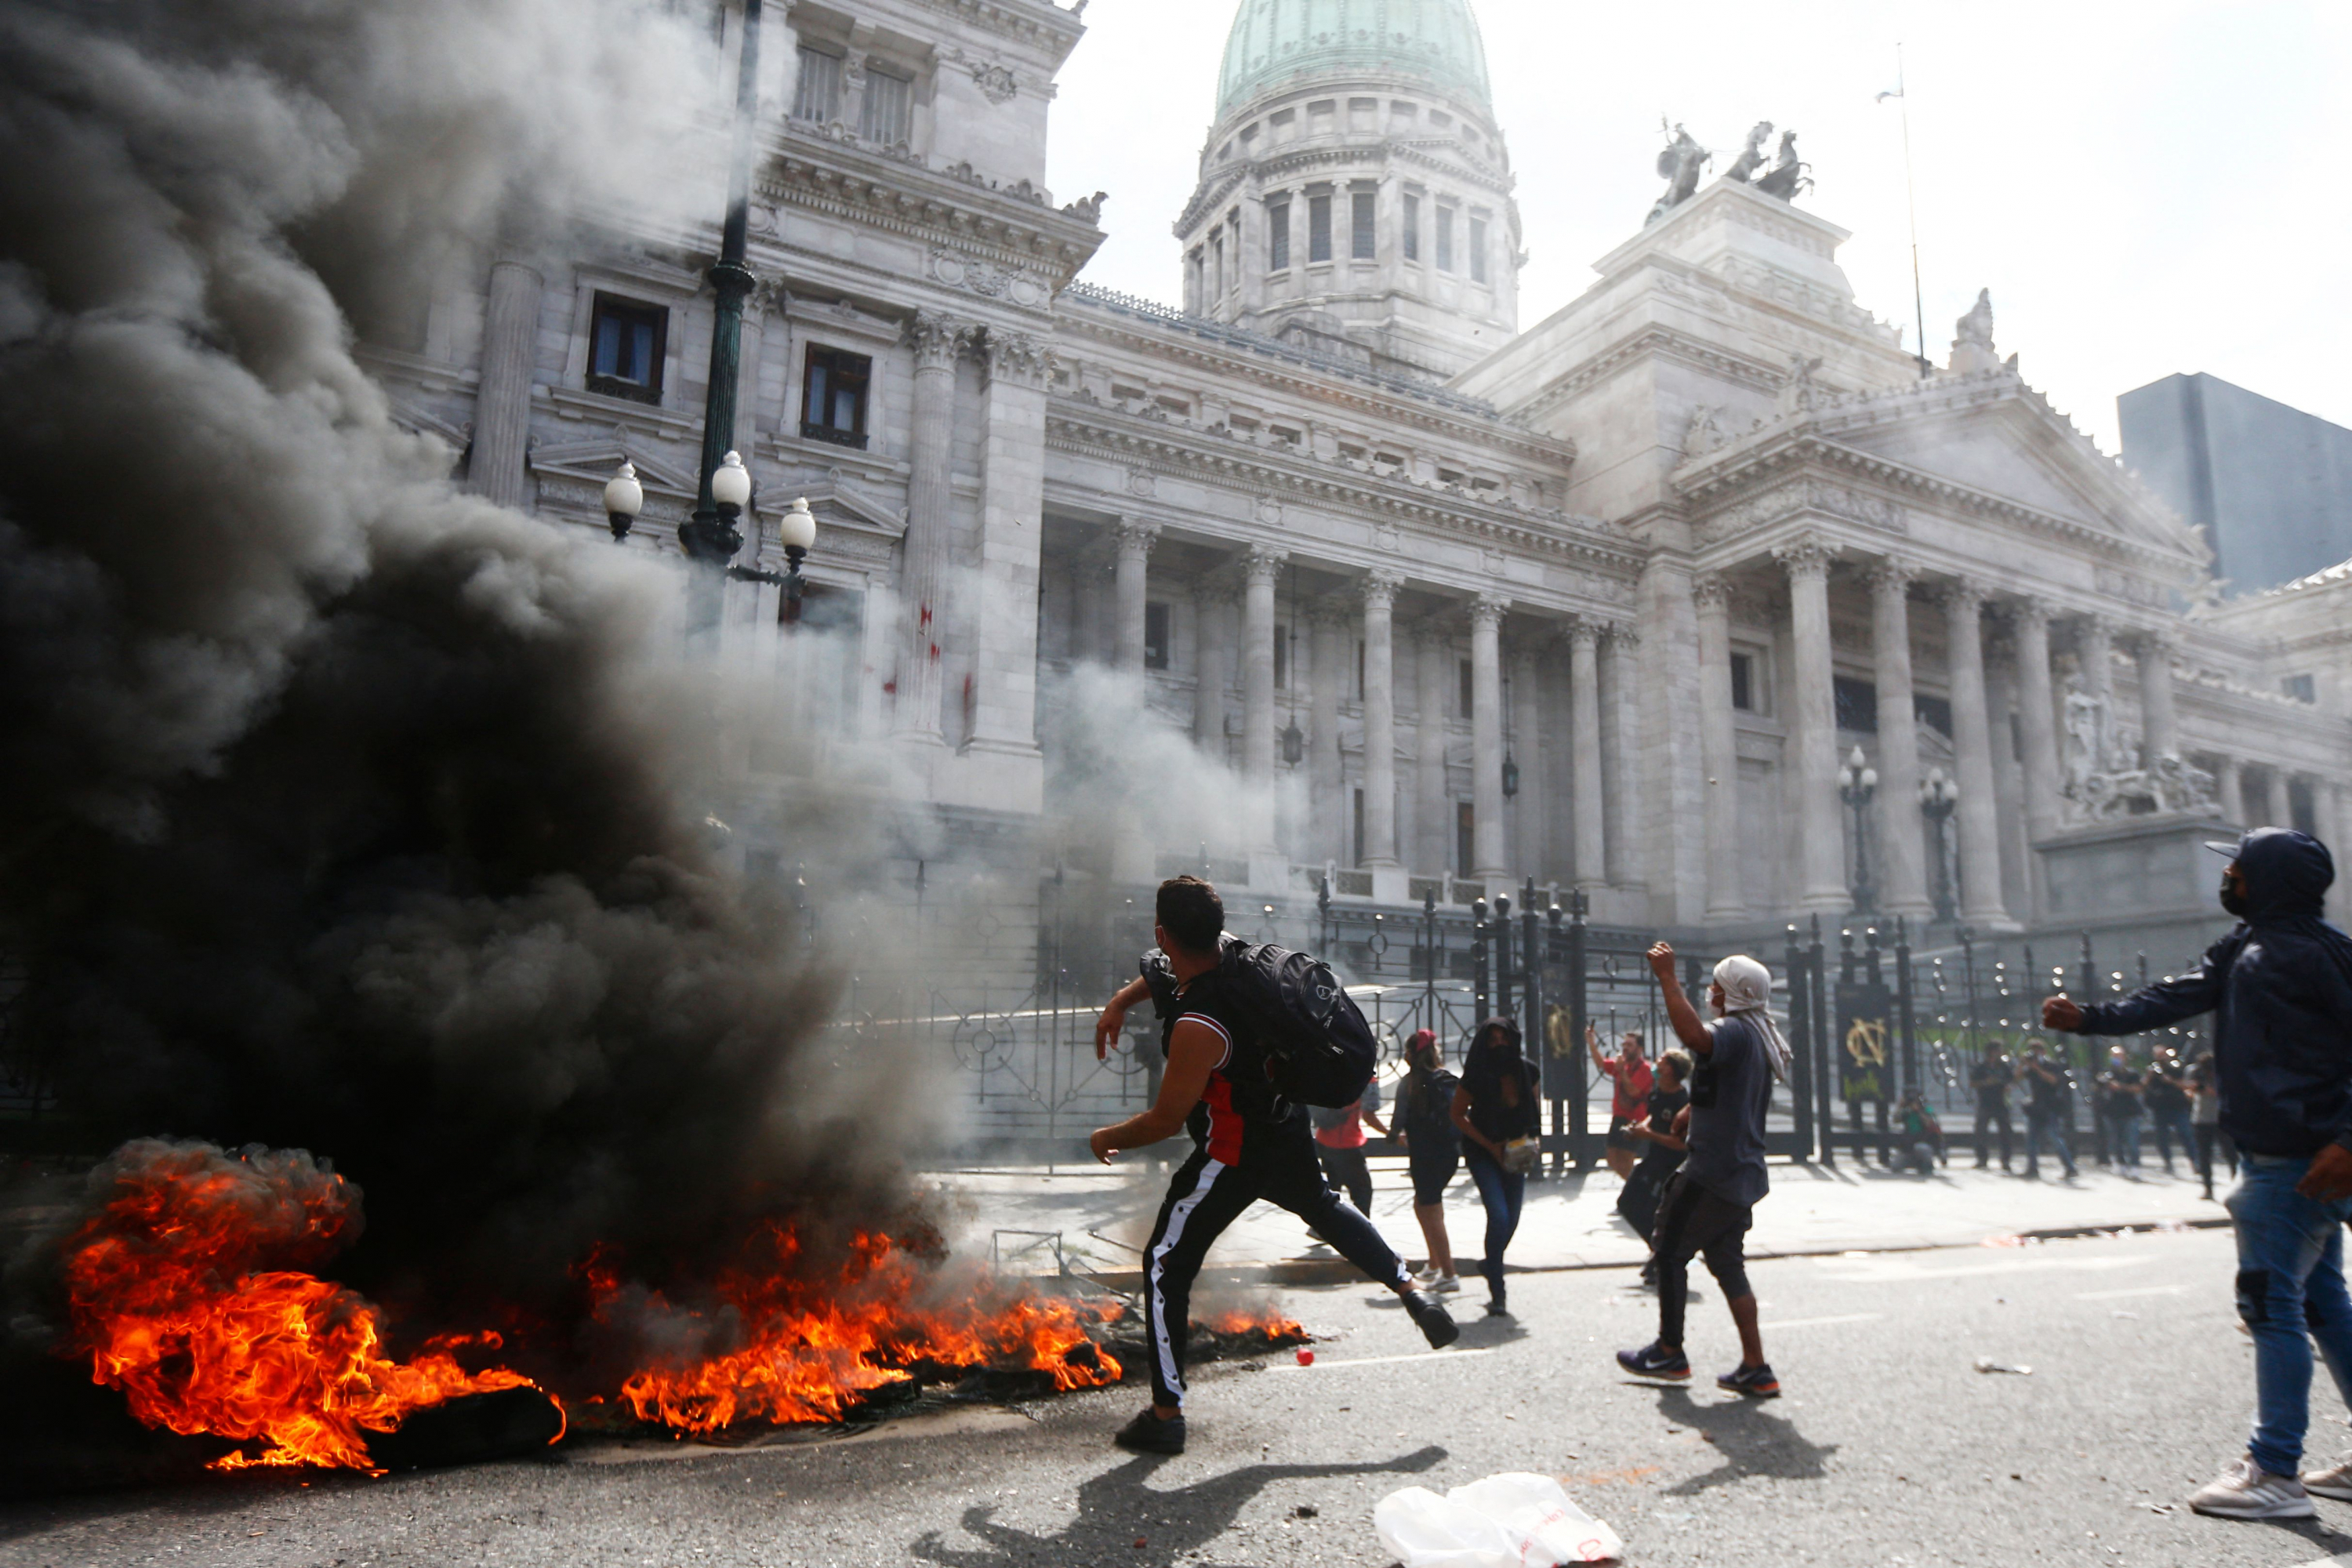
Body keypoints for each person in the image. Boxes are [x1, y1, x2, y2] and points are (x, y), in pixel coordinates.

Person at [2042, 828, 2352, 1519]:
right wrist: (2090, 1019)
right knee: (2323, 1302)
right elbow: (2170, 998)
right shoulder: (2247, 947)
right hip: (2295, 1154)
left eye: (2238, 866)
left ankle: (2275, 1474)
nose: (2229, 876)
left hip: (2298, 1162)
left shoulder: (2312, 956)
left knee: (2271, 1307)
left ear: (2265, 877)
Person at [1088, 877, 1459, 1455]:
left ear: (1163, 933)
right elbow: (1162, 973)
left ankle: (1165, 1413)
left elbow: (1164, 1120)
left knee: (1164, 1262)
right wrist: (1119, 1002)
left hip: (1232, 1151)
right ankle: (1412, 1290)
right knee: (1325, 1207)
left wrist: (1106, 1136)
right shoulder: (1236, 956)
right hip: (1287, 1126)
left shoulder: (1198, 1024)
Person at [1617, 944, 1784, 1398]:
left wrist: (1668, 978)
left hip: (1712, 1172)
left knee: (1669, 1251)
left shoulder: (1733, 1030)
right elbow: (1728, 1086)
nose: (1710, 991)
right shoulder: (1754, 1033)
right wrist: (1693, 1108)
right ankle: (1756, 1366)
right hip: (1742, 1173)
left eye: (1717, 986)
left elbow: (1695, 1037)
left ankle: (1670, 1351)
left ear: (1734, 994)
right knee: (1728, 1266)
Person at [1451, 1015, 1540, 1317]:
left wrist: (1534, 1141)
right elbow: (1457, 1114)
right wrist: (1490, 1145)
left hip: (1515, 1153)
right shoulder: (1477, 1074)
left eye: (1504, 1038)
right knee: (1499, 1215)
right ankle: (1498, 1291)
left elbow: (1534, 1110)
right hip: (1483, 1152)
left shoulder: (1528, 1071)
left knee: (1512, 1219)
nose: (1500, 1045)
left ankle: (1490, 1263)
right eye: (1493, 1039)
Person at [1394, 1029, 1462, 1292]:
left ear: (1410, 1054)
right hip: (1448, 1154)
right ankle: (1434, 1265)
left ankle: (1449, 1274)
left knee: (1431, 1211)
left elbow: (1396, 1125)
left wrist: (1395, 1135)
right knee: (1424, 1206)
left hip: (1424, 1156)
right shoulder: (1447, 1079)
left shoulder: (1410, 1082)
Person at [1618, 1048, 1693, 1279]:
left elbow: (1681, 1144)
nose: (1656, 1064)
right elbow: (1652, 1116)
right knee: (1628, 1202)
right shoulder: (1657, 1093)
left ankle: (1663, 1256)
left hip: (1672, 1166)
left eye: (1661, 1061)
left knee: (1658, 1211)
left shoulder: (1682, 1102)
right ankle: (1661, 1252)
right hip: (1653, 1159)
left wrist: (1649, 1135)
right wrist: (1639, 1128)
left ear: (1670, 1069)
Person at [1309, 1080, 1388, 1217]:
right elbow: (1369, 1116)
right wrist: (1390, 1133)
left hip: (1324, 1139)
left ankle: (1324, 1226)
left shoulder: (1332, 1071)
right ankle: (1359, 1231)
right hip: (1347, 1142)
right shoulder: (1367, 1080)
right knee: (1362, 1193)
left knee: (1333, 1187)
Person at [1588, 1024, 1654, 1181]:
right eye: (1624, 1044)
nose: (1625, 1048)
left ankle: (1636, 1190)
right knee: (1612, 1157)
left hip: (1635, 1119)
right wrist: (1591, 1042)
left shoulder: (1644, 1069)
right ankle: (1634, 1186)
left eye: (1630, 1045)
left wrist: (1622, 1071)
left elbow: (1633, 1091)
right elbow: (1601, 1064)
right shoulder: (1621, 1064)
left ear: (1640, 1049)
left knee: (1626, 1157)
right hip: (1619, 1116)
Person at [2019, 1041, 2078, 1181]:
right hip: (2035, 1106)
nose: (2035, 1054)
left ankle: (2070, 1167)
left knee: (2054, 1137)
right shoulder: (2030, 1067)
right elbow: (2017, 1077)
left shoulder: (2052, 1065)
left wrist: (2037, 1069)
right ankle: (2032, 1168)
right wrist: (2022, 1064)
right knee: (2031, 1139)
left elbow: (2053, 1081)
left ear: (2043, 1052)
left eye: (2037, 1051)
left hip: (2050, 1106)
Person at [2143, 1046, 2198, 1178]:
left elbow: (2187, 1085)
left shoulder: (2176, 1069)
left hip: (2177, 1107)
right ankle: (2168, 1162)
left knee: (2185, 1133)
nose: (2161, 1058)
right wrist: (2149, 1076)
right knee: (2162, 1137)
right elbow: (2143, 1086)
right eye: (2158, 1055)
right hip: (2160, 1108)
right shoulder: (2153, 1071)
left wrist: (2171, 1081)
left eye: (2163, 1055)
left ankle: (2194, 1160)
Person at [2189, 1049, 2233, 1200]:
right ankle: (2208, 1188)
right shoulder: (2198, 1075)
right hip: (2202, 1119)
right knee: (2204, 1156)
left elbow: (2216, 1092)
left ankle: (2235, 1184)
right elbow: (2191, 1090)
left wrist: (2205, 1088)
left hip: (2220, 1119)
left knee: (2230, 1154)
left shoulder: (2222, 1075)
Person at [2096, 1046, 2145, 1173]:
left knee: (2132, 1141)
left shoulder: (2132, 1074)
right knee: (2116, 1141)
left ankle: (2135, 1165)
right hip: (2112, 1111)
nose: (2117, 1059)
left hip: (2130, 1112)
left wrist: (2121, 1087)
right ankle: (2120, 1163)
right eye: (2114, 1056)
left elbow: (2138, 1089)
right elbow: (2098, 1089)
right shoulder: (2107, 1075)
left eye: (2120, 1056)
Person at [1971, 1044, 2016, 1171]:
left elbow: (2012, 1080)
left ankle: (2006, 1160)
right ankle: (1982, 1158)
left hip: (2001, 1102)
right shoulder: (1980, 1067)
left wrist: (2009, 1086)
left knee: (2005, 1132)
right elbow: (1973, 1083)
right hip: (1985, 1102)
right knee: (1981, 1131)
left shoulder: (2004, 1067)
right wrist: (1986, 1082)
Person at [1895, 1089, 1944, 1174]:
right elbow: (1895, 1120)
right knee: (1896, 1165)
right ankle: (1912, 1163)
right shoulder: (1907, 1111)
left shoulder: (1926, 1109)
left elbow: (1929, 1123)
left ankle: (1926, 1165)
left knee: (1921, 1148)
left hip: (1925, 1141)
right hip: (1909, 1144)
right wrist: (1900, 1107)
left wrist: (1919, 1111)